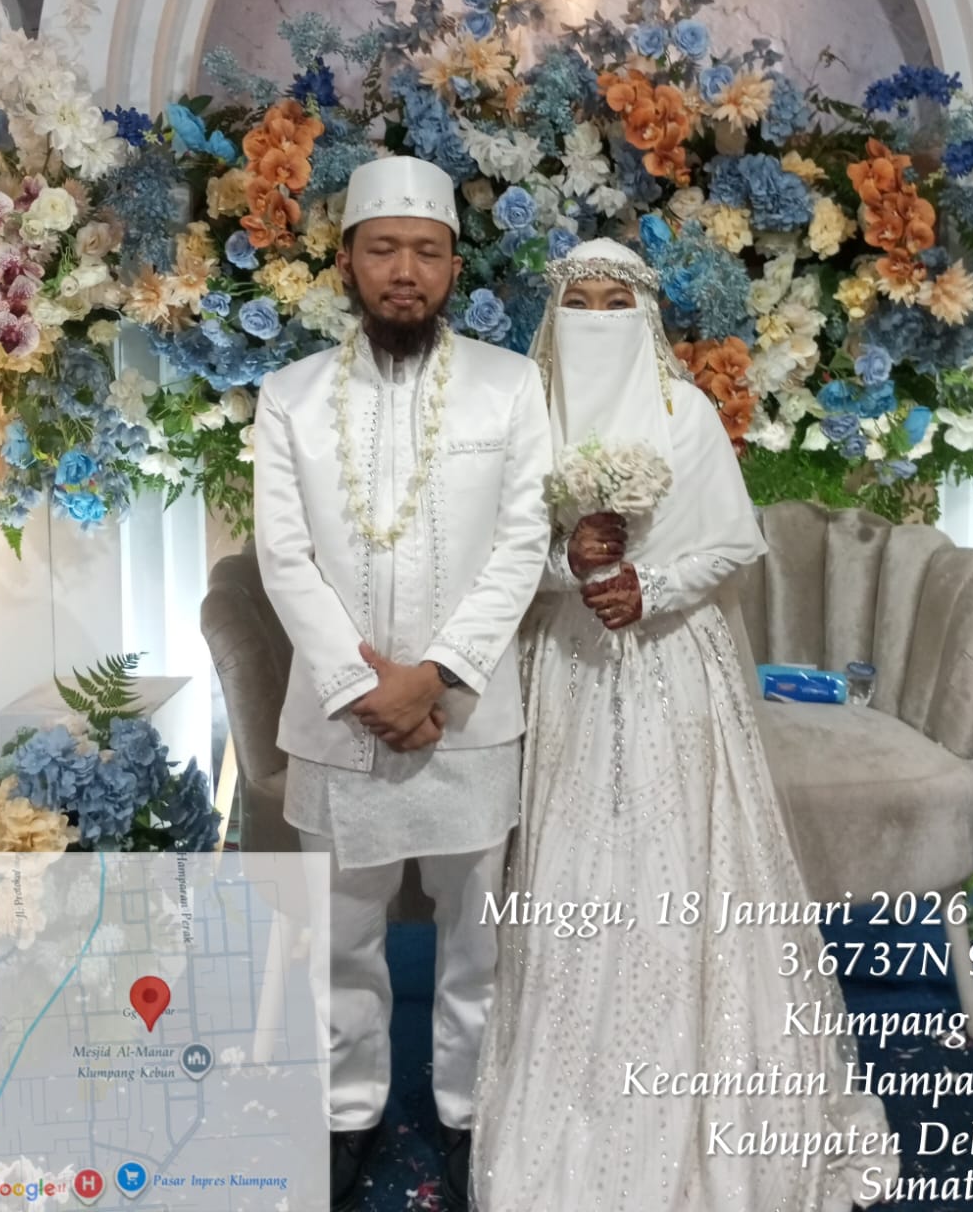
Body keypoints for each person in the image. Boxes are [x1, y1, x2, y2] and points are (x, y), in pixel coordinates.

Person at [471, 239, 899, 1211]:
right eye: (578, 301)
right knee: (575, 869)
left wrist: (649, 586)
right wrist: (571, 566)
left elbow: (730, 542)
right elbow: (500, 553)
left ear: (647, 315)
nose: (595, 318)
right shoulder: (529, 414)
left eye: (613, 301)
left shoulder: (684, 412)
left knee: (686, 865)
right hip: (568, 669)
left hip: (674, 668)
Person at [253, 156, 552, 1212]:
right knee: (342, 933)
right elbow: (283, 555)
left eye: (426, 251)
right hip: (341, 721)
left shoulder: (510, 386)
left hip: (468, 716)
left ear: (455, 267)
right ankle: (350, 1113)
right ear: (346, 262)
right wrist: (362, 685)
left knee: (478, 933)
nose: (405, 272)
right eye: (383, 249)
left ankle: (470, 1113)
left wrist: (433, 678)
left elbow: (522, 544)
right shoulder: (289, 396)